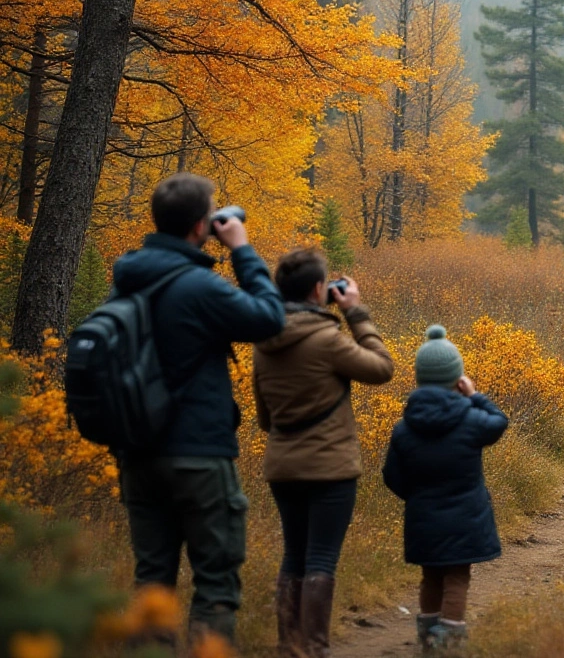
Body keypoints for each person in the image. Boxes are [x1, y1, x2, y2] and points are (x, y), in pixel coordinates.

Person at [110, 172, 285, 645]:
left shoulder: (126, 280)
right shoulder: (198, 287)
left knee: (152, 581)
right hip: (198, 454)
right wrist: (242, 250)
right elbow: (270, 319)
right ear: (199, 226)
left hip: (138, 453)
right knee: (215, 581)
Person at [252, 249, 395, 658]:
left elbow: (265, 418)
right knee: (320, 559)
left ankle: (288, 647)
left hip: (283, 467)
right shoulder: (328, 339)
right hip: (330, 467)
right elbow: (382, 369)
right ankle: (313, 649)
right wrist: (356, 313)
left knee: (293, 554)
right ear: (320, 289)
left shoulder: (263, 344)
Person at [382, 325, 508, 652]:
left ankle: (427, 639)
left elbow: (391, 476)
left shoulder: (404, 427)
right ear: (457, 379)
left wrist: (417, 498)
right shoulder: (470, 418)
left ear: (420, 378)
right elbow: (499, 422)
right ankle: (448, 644)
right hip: (466, 519)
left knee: (431, 577)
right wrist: (476, 395)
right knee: (457, 578)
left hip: (423, 518)